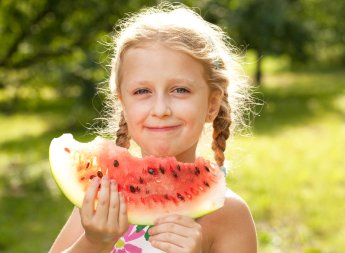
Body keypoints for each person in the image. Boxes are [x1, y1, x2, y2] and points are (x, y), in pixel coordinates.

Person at [50, 3, 257, 253]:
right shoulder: (102, 195)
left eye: (180, 90)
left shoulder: (229, 214)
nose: (160, 109)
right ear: (123, 103)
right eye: (142, 91)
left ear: (212, 104)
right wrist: (94, 242)